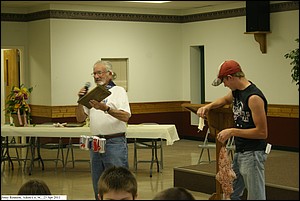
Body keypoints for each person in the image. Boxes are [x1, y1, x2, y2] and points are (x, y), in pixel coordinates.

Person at [197, 60, 268, 200]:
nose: (224, 85)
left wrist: (232, 131)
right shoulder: (236, 92)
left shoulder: (253, 97)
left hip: (253, 153)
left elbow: (262, 132)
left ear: (230, 77)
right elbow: (224, 100)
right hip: (240, 151)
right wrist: (208, 107)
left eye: (224, 81)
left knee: (256, 196)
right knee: (231, 193)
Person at [76, 60, 131, 200]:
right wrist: (80, 100)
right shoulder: (92, 94)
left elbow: (125, 116)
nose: (96, 76)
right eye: (94, 73)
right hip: (95, 144)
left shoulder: (118, 91)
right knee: (98, 183)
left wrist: (105, 108)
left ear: (110, 74)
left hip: (114, 142)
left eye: (99, 73)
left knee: (118, 182)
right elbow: (80, 119)